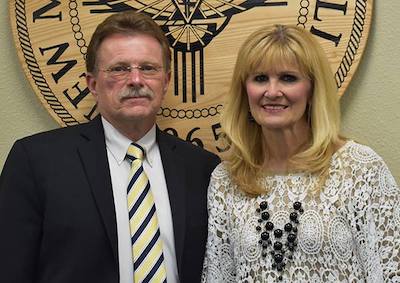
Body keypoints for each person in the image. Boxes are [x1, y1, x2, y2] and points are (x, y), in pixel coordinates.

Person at [0, 11, 220, 283]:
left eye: (149, 68)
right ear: (92, 84)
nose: (136, 80)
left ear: (166, 82)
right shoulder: (36, 162)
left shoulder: (202, 169)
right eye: (119, 68)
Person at [201, 25, 400, 282]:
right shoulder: (226, 180)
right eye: (260, 78)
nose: (272, 92)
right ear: (244, 90)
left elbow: (390, 273)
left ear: (312, 89)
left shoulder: (360, 169)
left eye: (288, 78)